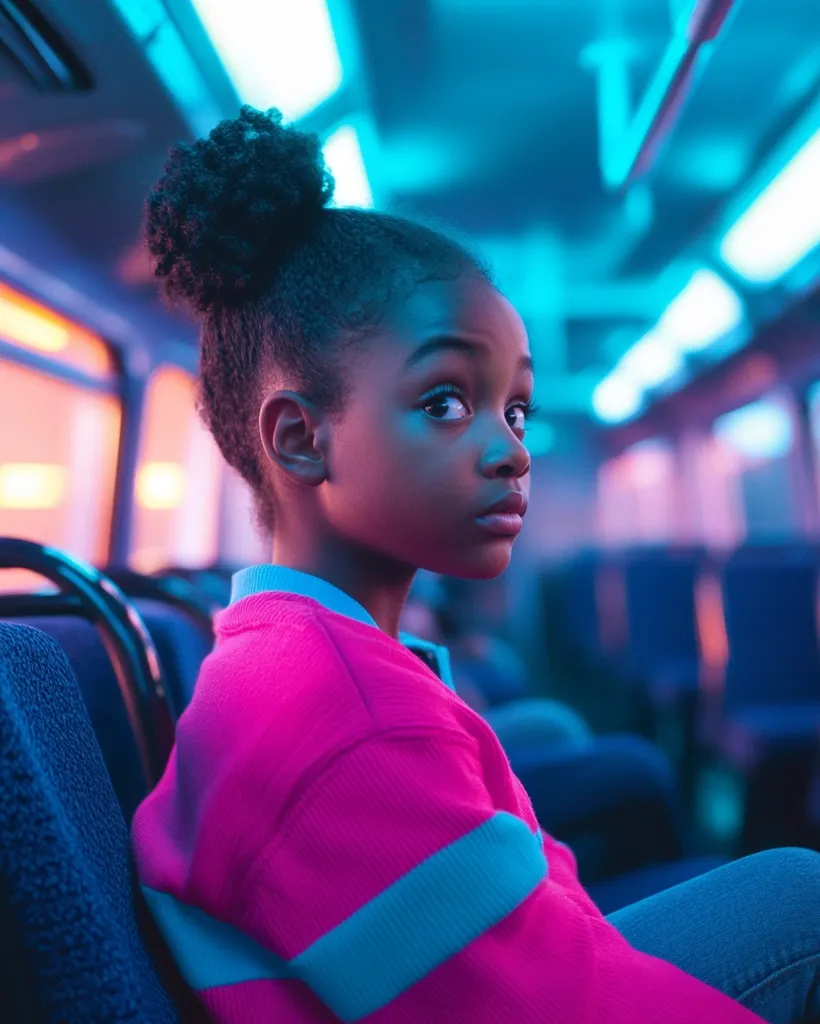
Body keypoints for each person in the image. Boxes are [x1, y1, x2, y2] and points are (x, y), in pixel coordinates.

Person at [131, 106, 820, 1024]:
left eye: (517, 411)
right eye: (448, 401)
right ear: (300, 439)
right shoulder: (349, 725)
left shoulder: (294, 658)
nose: (512, 451)